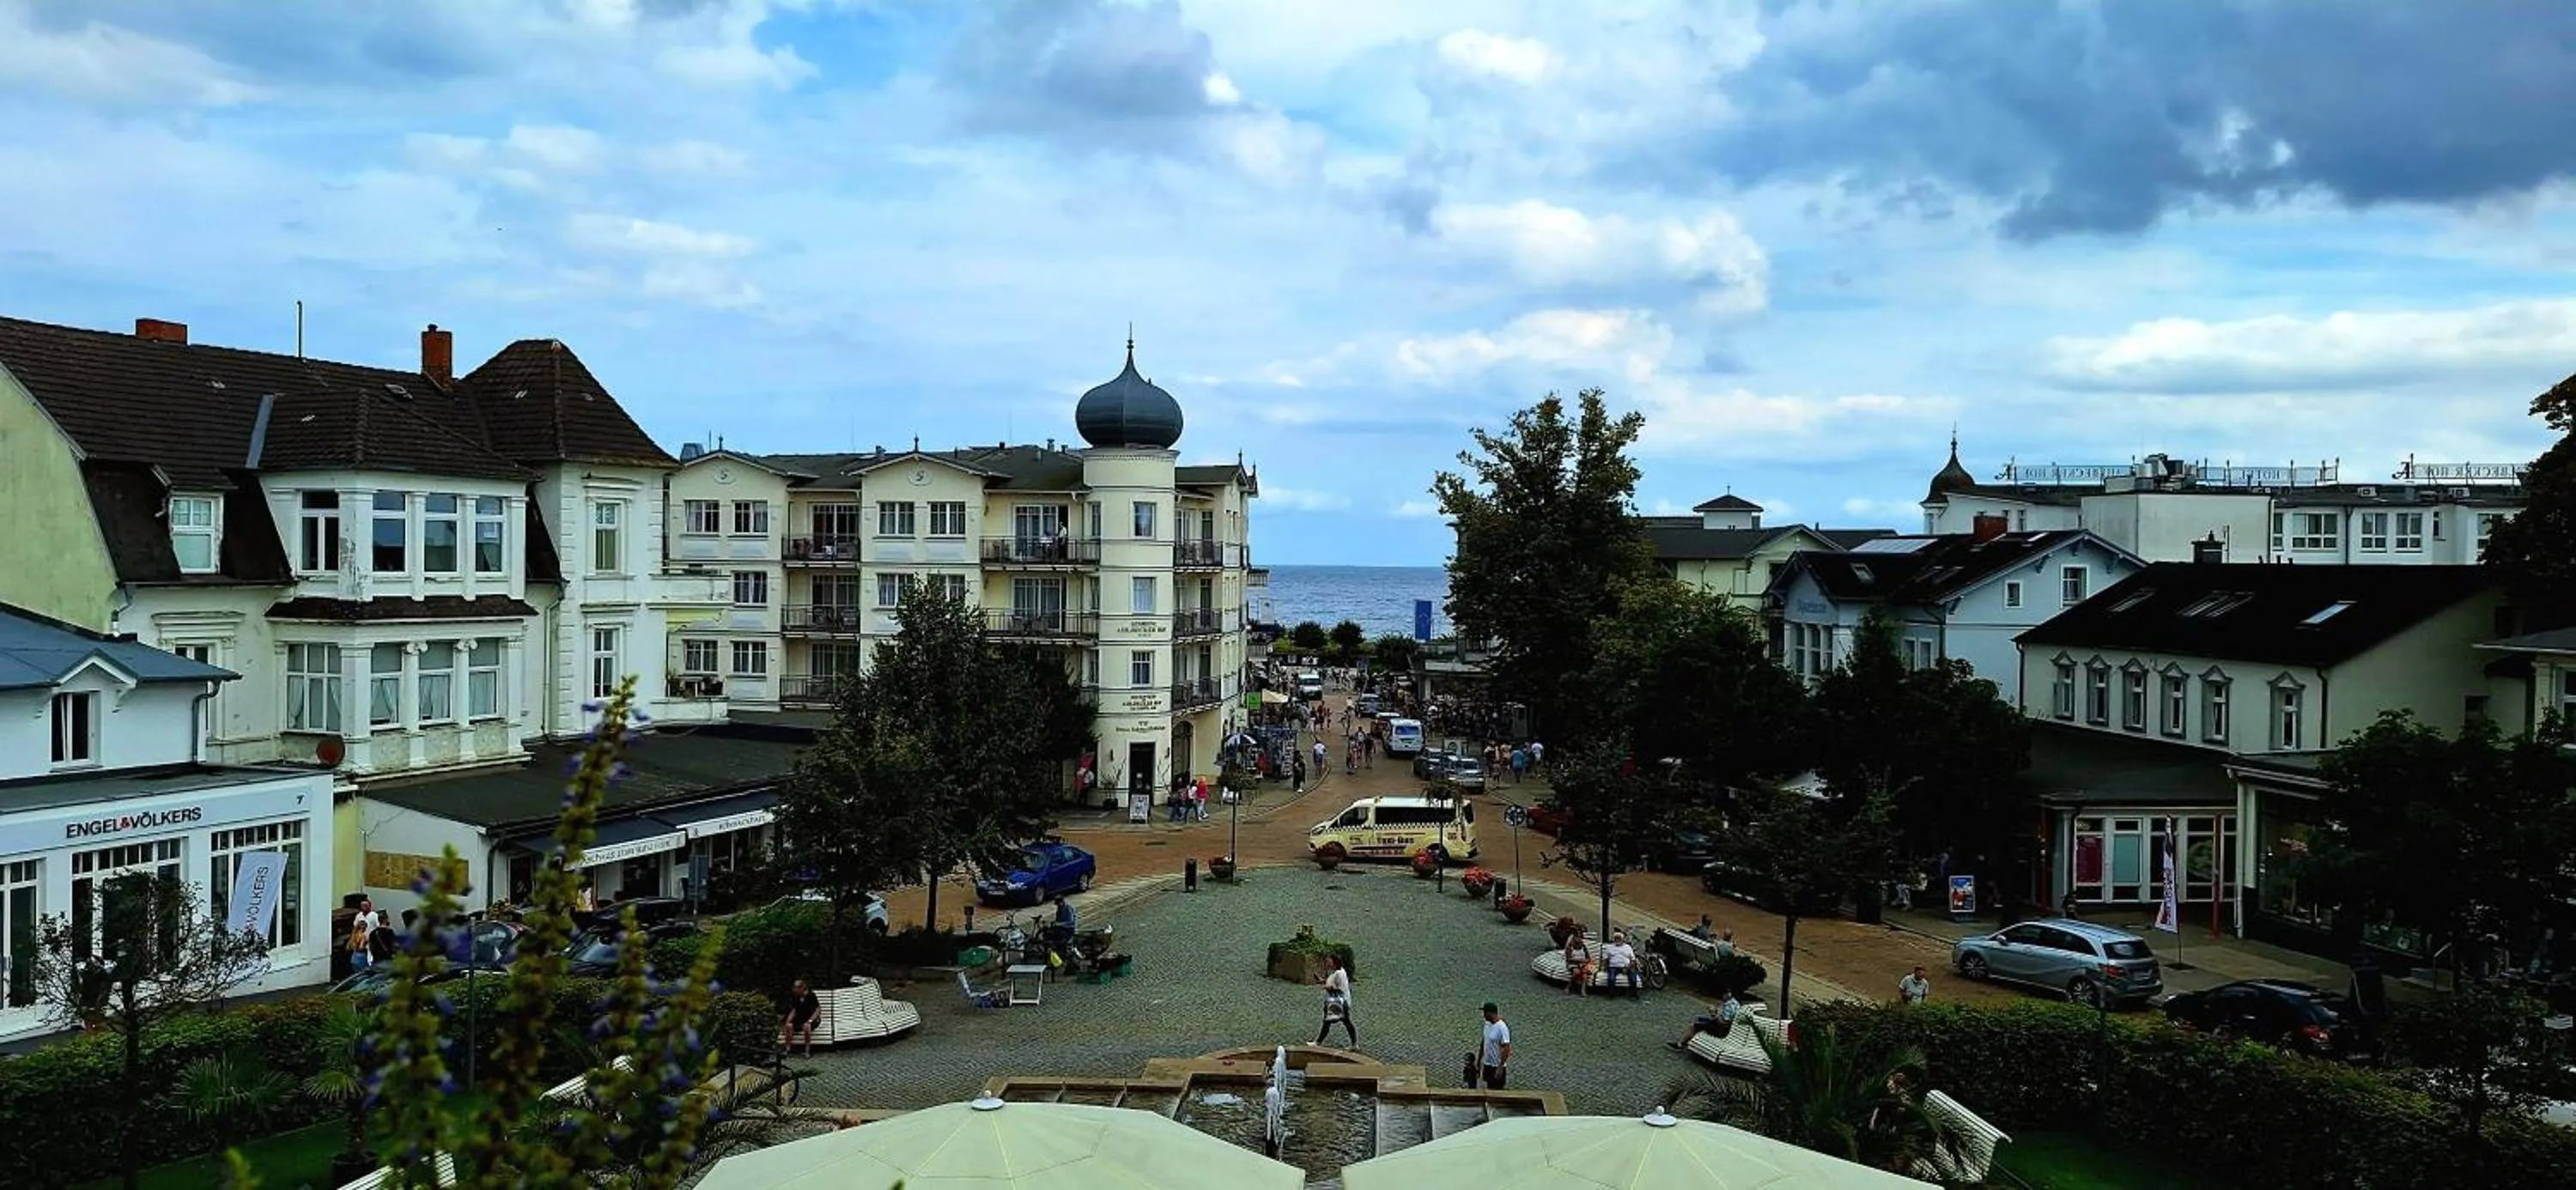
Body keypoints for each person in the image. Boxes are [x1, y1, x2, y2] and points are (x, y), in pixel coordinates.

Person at [1671, 990, 1741, 1051]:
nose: (1721, 997)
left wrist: (1713, 1014)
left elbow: (1724, 1023)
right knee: (1698, 1018)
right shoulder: (1735, 1003)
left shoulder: (1728, 1007)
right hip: (1727, 1028)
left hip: (1721, 1030)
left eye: (1723, 995)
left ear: (1728, 994)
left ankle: (1680, 1044)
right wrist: (1716, 1011)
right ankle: (1689, 1039)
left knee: (1693, 1026)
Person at [1315, 955, 1356, 1046]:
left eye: (1329, 962)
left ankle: (1318, 1042)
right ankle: (1354, 1044)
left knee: (1329, 1022)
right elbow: (1332, 981)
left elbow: (1339, 988)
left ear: (1334, 962)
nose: (1327, 964)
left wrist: (1328, 987)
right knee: (1344, 1022)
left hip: (1340, 1002)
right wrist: (1323, 981)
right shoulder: (1336, 972)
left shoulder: (1339, 973)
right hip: (1338, 1002)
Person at [781, 978, 822, 1056]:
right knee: (789, 1026)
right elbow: (794, 1010)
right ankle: (787, 1048)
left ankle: (807, 1050)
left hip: (811, 1019)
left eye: (795, 988)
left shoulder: (811, 995)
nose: (794, 990)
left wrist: (810, 1021)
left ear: (802, 988)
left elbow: (818, 1010)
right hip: (800, 1019)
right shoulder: (796, 997)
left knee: (806, 1027)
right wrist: (788, 1021)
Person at [1476, 1002, 1512, 1089]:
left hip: (1496, 1066)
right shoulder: (1487, 1024)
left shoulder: (1502, 1028)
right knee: (1488, 1087)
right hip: (1487, 1064)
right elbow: (1484, 1041)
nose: (1483, 1015)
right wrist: (1479, 1060)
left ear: (1490, 1013)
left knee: (1497, 1090)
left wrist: (1500, 1067)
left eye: (1484, 1012)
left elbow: (1506, 1048)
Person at [1601, 930, 1643, 999]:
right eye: (1616, 938)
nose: (1617, 940)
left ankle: (1633, 994)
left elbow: (1633, 960)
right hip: (1613, 966)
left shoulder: (1628, 947)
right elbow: (1606, 959)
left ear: (1623, 939)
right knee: (1611, 978)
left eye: (1619, 938)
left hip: (1627, 966)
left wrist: (1628, 968)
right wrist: (1604, 967)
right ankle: (1611, 994)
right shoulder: (1609, 947)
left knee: (1633, 978)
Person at [1561, 926, 1593, 996]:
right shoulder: (1570, 947)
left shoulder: (1583, 946)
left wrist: (1584, 961)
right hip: (1573, 964)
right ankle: (1568, 987)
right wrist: (1579, 961)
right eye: (1576, 938)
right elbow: (1569, 959)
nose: (1578, 940)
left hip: (1583, 964)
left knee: (1584, 975)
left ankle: (1583, 990)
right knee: (1576, 972)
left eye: (1579, 938)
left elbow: (1588, 958)